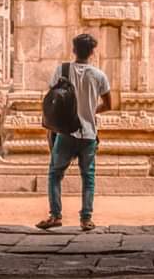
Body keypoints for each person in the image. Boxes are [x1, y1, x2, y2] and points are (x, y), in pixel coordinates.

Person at [36, 33, 111, 231]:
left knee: (55, 174)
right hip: (88, 134)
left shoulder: (61, 70)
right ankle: (86, 219)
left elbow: (52, 98)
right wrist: (89, 111)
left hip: (65, 133)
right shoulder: (99, 75)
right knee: (88, 177)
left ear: (74, 50)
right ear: (92, 52)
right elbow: (110, 104)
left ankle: (55, 215)